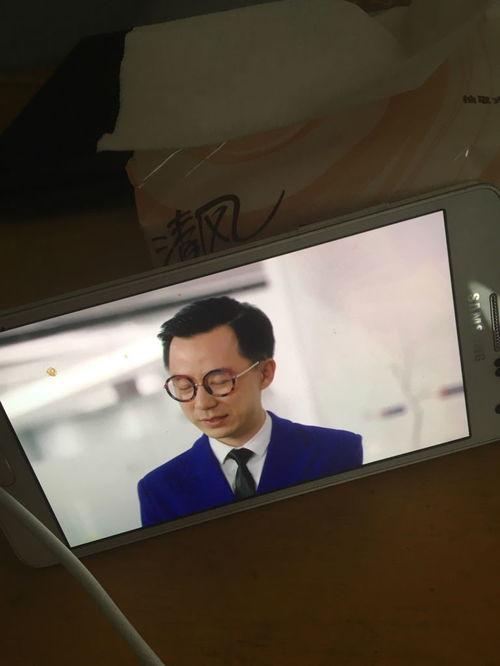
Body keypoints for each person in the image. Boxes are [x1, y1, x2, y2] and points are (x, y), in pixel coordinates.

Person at [138, 296, 362, 526]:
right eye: (184, 386)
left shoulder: (337, 451)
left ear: (265, 373)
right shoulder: (159, 490)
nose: (203, 403)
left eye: (219, 381)